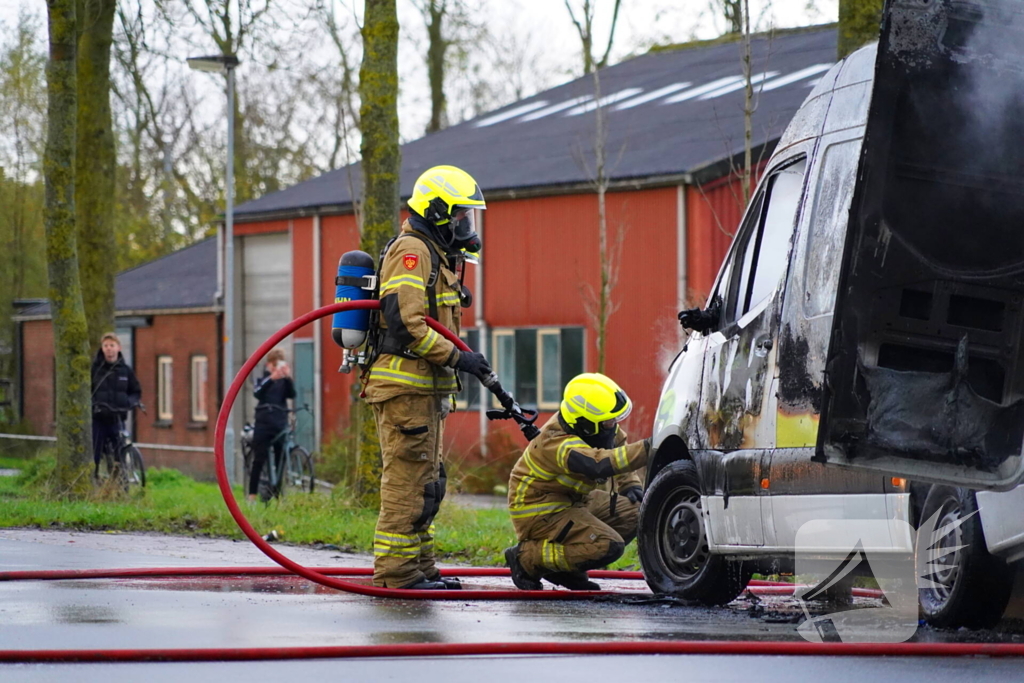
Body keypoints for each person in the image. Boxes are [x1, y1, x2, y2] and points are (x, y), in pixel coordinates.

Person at [363, 165, 492, 590]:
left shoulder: (435, 254)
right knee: (407, 482)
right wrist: (458, 357)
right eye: (460, 216)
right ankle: (398, 573)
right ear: (437, 212)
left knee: (428, 483)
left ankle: (420, 566)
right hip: (404, 388)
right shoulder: (413, 251)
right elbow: (406, 323)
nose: (466, 227)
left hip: (423, 390)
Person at [504, 373, 651, 591]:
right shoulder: (556, 442)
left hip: (574, 501)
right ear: (586, 425)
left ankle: (566, 569)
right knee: (608, 545)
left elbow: (617, 444)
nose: (613, 425)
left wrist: (629, 483)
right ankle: (528, 558)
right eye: (608, 422)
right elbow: (598, 463)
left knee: (638, 512)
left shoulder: (595, 427)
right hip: (540, 511)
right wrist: (652, 446)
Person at [248, 348, 296, 502]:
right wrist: (271, 378)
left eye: (279, 365)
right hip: (264, 422)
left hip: (279, 421)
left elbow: (292, 394)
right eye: (274, 365)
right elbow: (257, 392)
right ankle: (252, 495)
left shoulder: (283, 381)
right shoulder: (262, 377)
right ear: (268, 365)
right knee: (259, 459)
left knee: (280, 459)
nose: (276, 368)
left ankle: (276, 495)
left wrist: (288, 378)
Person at [91, 333, 142, 473]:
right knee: (95, 451)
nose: (109, 349)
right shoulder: (95, 370)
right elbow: (87, 391)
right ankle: (94, 477)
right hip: (99, 418)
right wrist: (94, 404)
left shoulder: (126, 371)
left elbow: (135, 391)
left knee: (120, 450)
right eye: (106, 346)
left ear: (118, 348)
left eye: (112, 345)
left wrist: (129, 402)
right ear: (102, 348)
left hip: (118, 417)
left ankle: (120, 478)